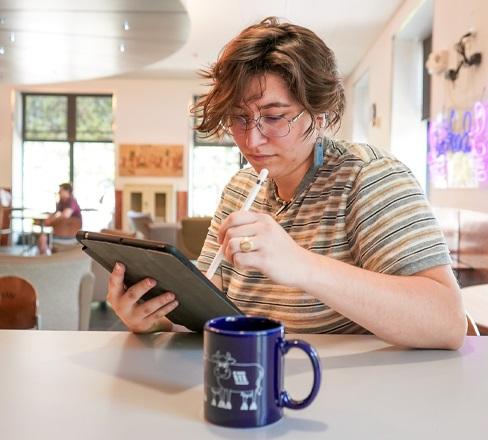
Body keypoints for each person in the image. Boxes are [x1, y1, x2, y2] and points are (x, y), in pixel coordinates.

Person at [108, 17, 466, 349]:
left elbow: (447, 322)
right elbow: (207, 307)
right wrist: (157, 320)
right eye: (239, 118)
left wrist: (300, 265)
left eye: (275, 117)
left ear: (319, 113)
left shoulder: (369, 177)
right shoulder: (240, 186)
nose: (252, 140)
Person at [37, 183, 82, 254]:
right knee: (42, 238)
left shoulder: (71, 201)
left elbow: (65, 215)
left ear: (67, 191)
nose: (59, 192)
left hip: (70, 237)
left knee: (42, 238)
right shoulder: (62, 202)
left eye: (61, 191)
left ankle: (43, 260)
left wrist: (50, 221)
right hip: (64, 236)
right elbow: (57, 213)